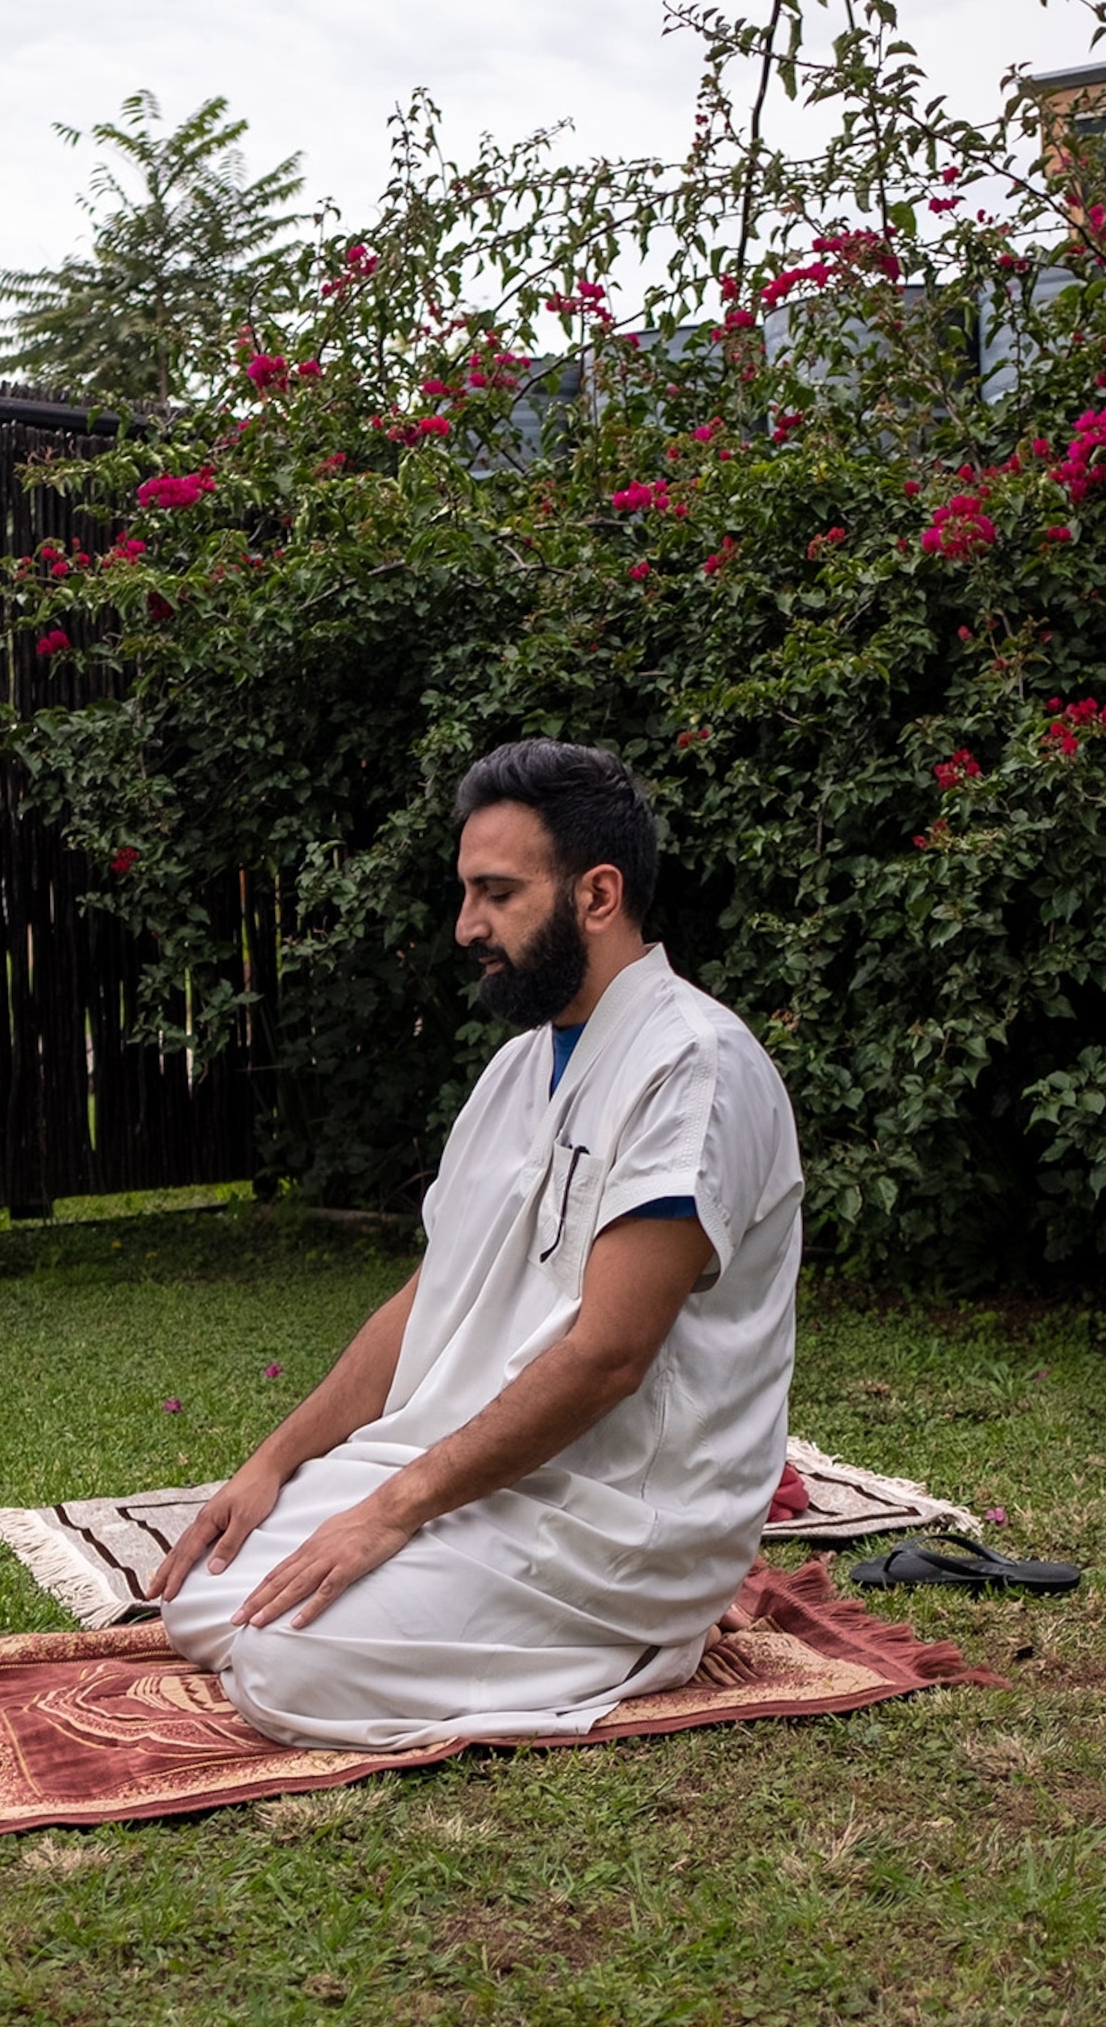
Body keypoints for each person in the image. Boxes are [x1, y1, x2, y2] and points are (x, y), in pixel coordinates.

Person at [150, 738, 805, 1751]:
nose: (467, 926)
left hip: (618, 1514)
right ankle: (463, 1605)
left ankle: (651, 1635)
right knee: (201, 1596)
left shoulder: (693, 1066)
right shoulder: (515, 1070)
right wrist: (271, 1463)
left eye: (496, 893)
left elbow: (610, 1354)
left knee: (285, 1667)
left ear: (597, 894)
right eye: (467, 893)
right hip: (473, 1468)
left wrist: (395, 1509)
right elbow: (430, 1296)